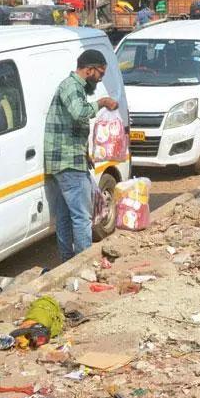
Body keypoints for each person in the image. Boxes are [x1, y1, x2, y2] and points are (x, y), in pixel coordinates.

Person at [44, 49, 119, 262]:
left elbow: (72, 125)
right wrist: (102, 103)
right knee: (81, 217)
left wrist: (85, 154)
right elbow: (79, 113)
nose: (100, 78)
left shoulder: (76, 88)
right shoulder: (70, 87)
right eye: (100, 74)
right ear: (89, 70)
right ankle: (82, 262)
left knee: (67, 216)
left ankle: (67, 261)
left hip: (69, 159)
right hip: (67, 162)